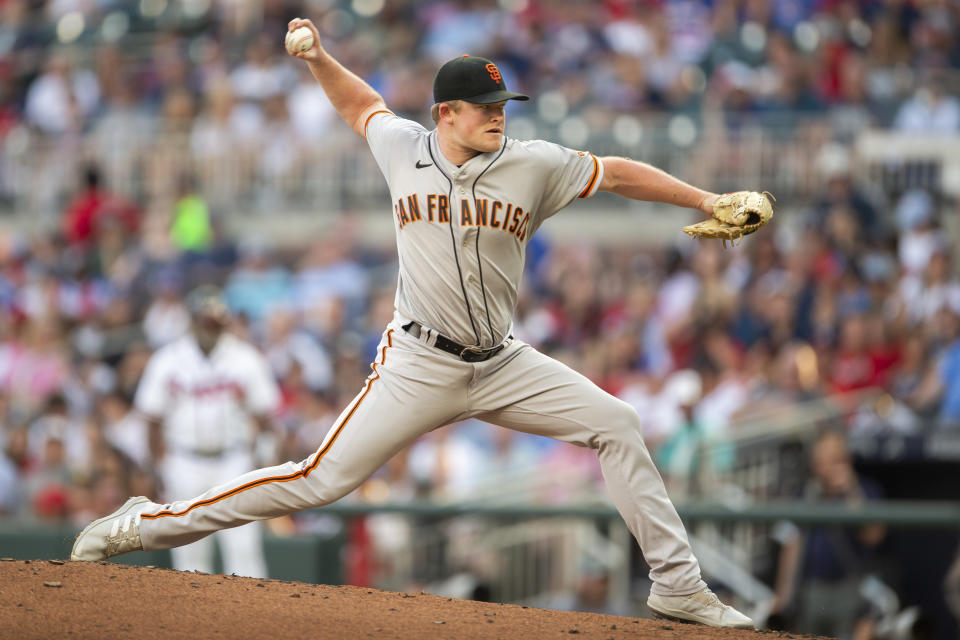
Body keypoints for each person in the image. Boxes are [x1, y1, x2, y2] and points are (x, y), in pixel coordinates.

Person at [71, 17, 757, 628]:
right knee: (316, 478)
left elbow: (615, 174)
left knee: (618, 424)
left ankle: (679, 587)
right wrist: (316, 59)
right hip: (419, 362)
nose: (498, 116)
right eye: (484, 108)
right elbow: (359, 104)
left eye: (502, 105)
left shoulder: (532, 164)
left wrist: (704, 198)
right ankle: (138, 526)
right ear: (446, 113)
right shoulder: (404, 146)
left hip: (502, 362)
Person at [129, 285, 280, 577]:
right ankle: (193, 619)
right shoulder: (168, 359)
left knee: (243, 546)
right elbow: (151, 418)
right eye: (205, 320)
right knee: (189, 552)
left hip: (234, 462)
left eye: (216, 321)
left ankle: (251, 617)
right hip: (183, 460)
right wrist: (156, 466)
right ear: (192, 320)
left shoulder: (245, 358)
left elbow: (266, 418)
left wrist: (266, 462)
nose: (211, 327)